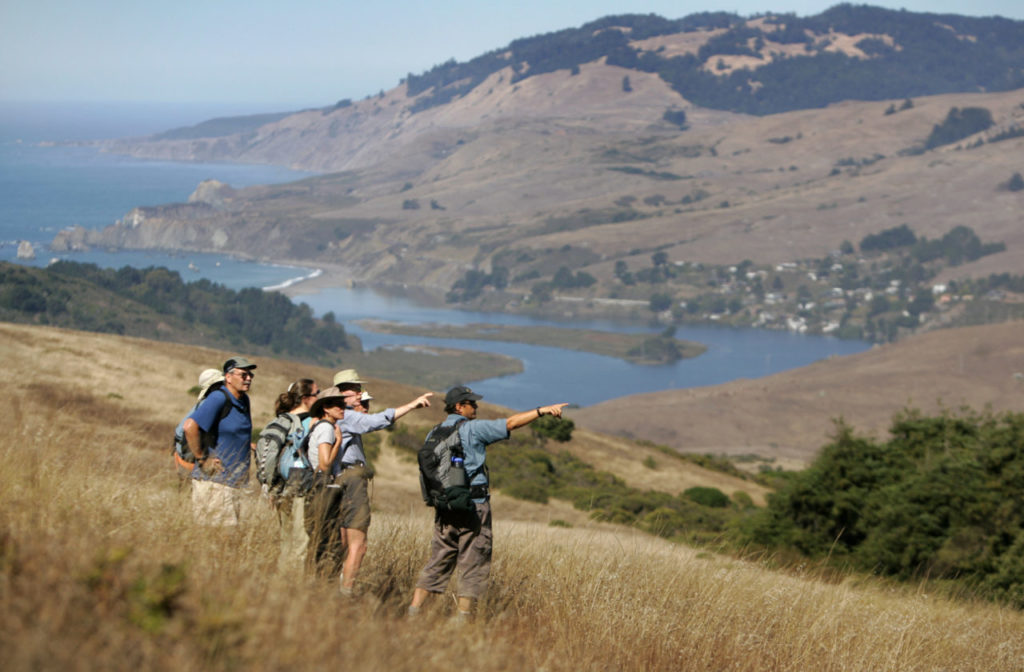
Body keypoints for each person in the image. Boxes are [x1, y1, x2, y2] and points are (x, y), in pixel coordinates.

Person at [407, 385, 568, 619]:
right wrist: (541, 411)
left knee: (439, 559)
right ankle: (462, 619)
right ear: (460, 407)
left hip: (444, 506)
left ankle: (414, 610)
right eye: (472, 403)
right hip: (474, 504)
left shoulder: (433, 432)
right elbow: (511, 424)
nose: (476, 407)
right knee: (474, 559)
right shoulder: (473, 428)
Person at [332, 373, 433, 596]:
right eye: (354, 389)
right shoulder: (346, 416)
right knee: (358, 543)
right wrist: (413, 405)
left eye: (360, 390)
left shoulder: (335, 416)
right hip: (351, 482)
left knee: (341, 542)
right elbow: (379, 421)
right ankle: (344, 594)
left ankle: (331, 586)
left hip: (337, 482)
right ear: (340, 393)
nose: (360, 395)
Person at [184, 356, 257, 526]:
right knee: (218, 539)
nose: (248, 379)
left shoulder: (244, 400)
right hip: (215, 483)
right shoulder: (219, 398)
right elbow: (190, 427)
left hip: (234, 483)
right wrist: (202, 458)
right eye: (243, 374)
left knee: (229, 542)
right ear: (228, 377)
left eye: (250, 375)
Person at [265, 378, 318, 569]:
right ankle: (292, 588)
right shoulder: (311, 421)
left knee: (285, 540)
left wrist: (271, 487)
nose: (318, 398)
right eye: (316, 394)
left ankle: (281, 582)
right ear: (305, 398)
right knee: (301, 541)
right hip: (301, 484)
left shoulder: (281, 420)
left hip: (281, 486)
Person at [302, 386, 346, 577]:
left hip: (315, 488)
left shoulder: (318, 427)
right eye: (337, 405)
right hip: (324, 489)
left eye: (343, 404)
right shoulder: (327, 429)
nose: (342, 408)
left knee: (317, 540)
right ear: (325, 408)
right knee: (326, 541)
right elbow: (325, 464)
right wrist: (338, 442)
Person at [173, 368, 224, 484]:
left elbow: (180, 431)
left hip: (183, 459)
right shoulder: (210, 405)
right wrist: (202, 458)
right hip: (196, 465)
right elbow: (188, 428)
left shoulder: (202, 404)